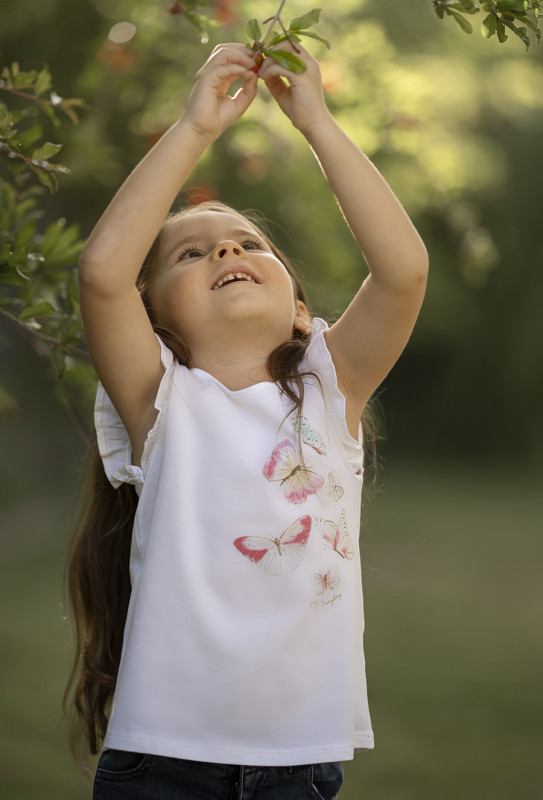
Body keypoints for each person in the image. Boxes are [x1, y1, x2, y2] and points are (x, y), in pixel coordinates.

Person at [64, 40, 428, 800]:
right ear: (155, 323)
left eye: (248, 243)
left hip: (301, 766)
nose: (225, 246)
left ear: (299, 305)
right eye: (189, 255)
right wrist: (195, 129)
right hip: (162, 767)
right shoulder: (160, 403)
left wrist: (317, 125)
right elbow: (102, 274)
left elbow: (402, 272)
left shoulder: (330, 390)